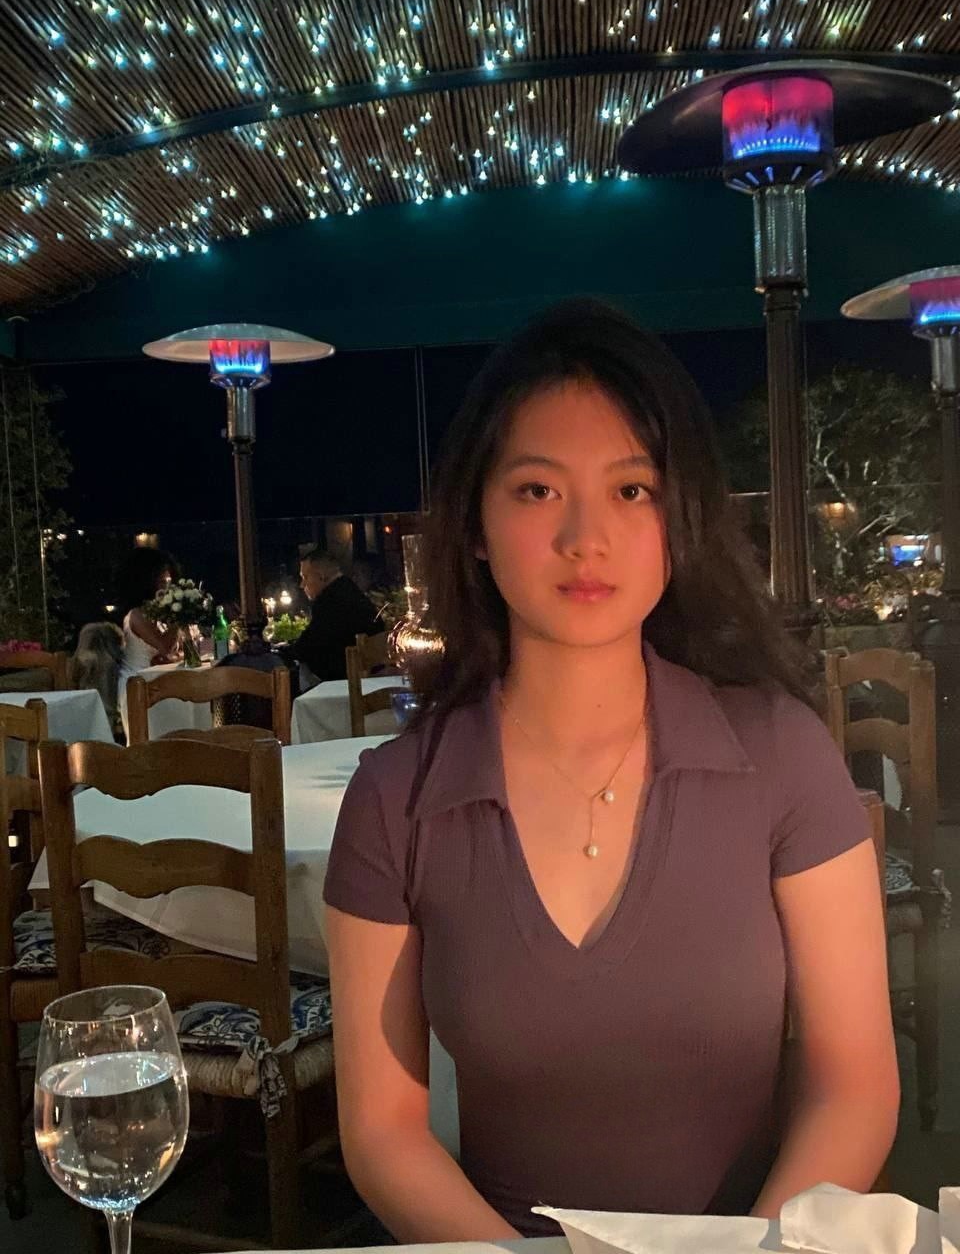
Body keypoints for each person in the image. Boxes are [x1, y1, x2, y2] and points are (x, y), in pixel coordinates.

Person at [322, 300, 898, 1243]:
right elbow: (384, 1133)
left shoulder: (782, 757)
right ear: (475, 525)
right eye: (537, 490)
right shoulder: (396, 800)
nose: (585, 537)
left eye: (632, 490)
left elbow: (855, 1085)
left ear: (680, 518)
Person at [284, 548, 384, 682]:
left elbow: (308, 646)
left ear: (321, 576)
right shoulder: (349, 590)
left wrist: (286, 652)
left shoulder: (330, 601)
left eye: (305, 577)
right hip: (372, 676)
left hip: (347, 680)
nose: (302, 585)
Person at [115, 547, 179, 735]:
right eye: (162, 581)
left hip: (157, 681)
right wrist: (179, 617)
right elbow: (164, 646)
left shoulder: (159, 615)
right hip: (137, 685)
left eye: (169, 581)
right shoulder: (137, 615)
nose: (167, 587)